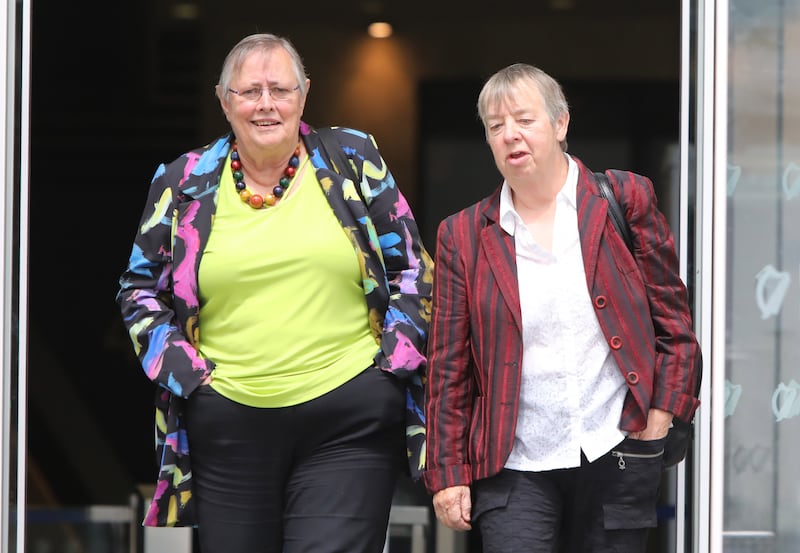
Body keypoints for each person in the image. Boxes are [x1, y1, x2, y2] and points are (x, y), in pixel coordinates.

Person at [116, 33, 433, 553]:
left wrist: (390, 365)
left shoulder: (353, 158)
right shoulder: (183, 179)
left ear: (304, 95)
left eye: (280, 90)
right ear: (223, 100)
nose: (266, 104)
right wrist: (188, 375)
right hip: (229, 421)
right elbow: (138, 290)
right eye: (250, 92)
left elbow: (414, 269)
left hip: (348, 417)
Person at [422, 63, 702, 552]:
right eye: (495, 125)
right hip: (513, 462)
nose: (510, 135)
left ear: (560, 124)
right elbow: (448, 367)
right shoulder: (462, 236)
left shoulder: (625, 199)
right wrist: (448, 472)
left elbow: (674, 325)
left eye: (524, 120)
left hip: (616, 445)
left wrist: (662, 414)